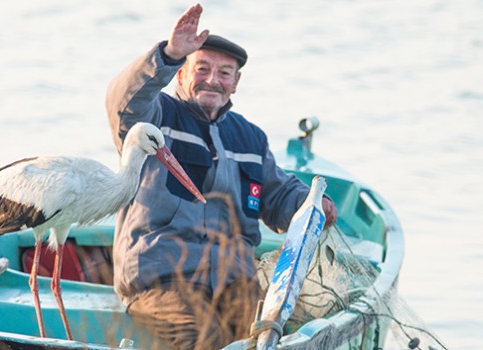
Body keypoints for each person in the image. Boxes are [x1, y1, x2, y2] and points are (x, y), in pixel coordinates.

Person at [105, 4, 337, 349]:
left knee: (273, 338)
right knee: (206, 339)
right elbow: (124, 103)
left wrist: (313, 204)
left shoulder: (250, 137)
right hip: (162, 281)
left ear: (236, 83)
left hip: (234, 282)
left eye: (225, 72)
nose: (213, 79)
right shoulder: (158, 117)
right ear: (182, 74)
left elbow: (277, 194)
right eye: (202, 68)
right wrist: (167, 54)